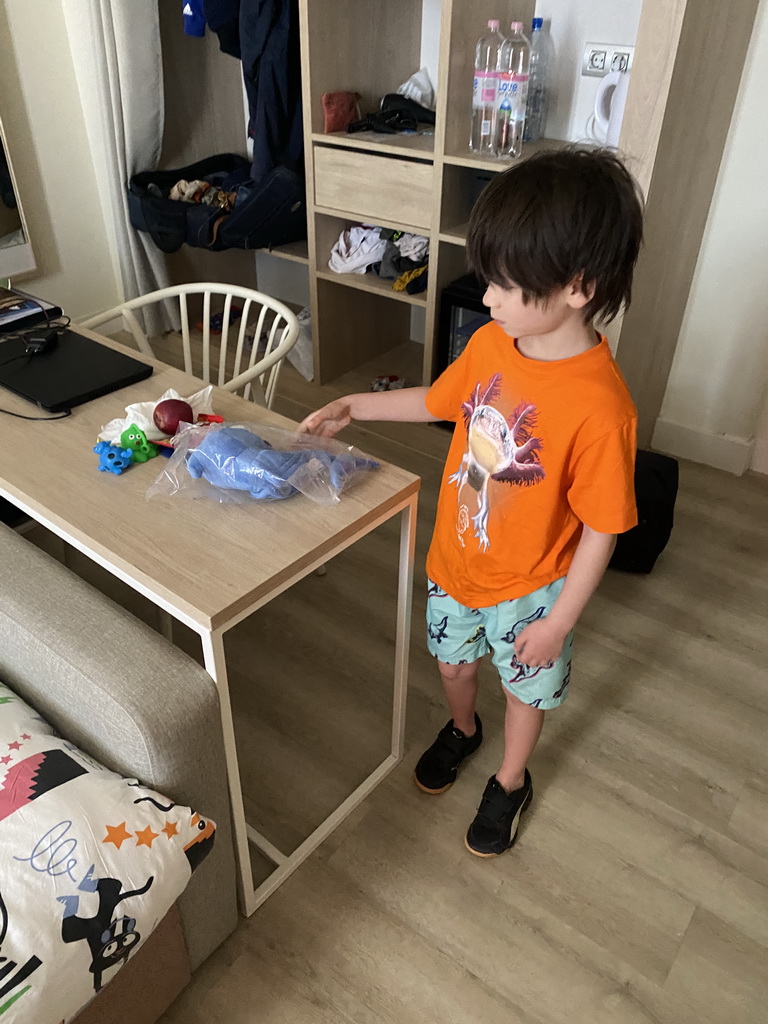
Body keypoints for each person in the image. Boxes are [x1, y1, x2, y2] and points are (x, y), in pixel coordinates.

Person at [299, 147, 644, 858]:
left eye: (505, 284)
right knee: (454, 667)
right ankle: (463, 729)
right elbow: (435, 401)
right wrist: (354, 405)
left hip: (532, 592)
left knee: (525, 693)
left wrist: (559, 624)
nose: (486, 297)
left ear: (576, 286)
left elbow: (604, 531)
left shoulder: (601, 408)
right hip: (455, 561)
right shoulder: (493, 343)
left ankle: (511, 779)